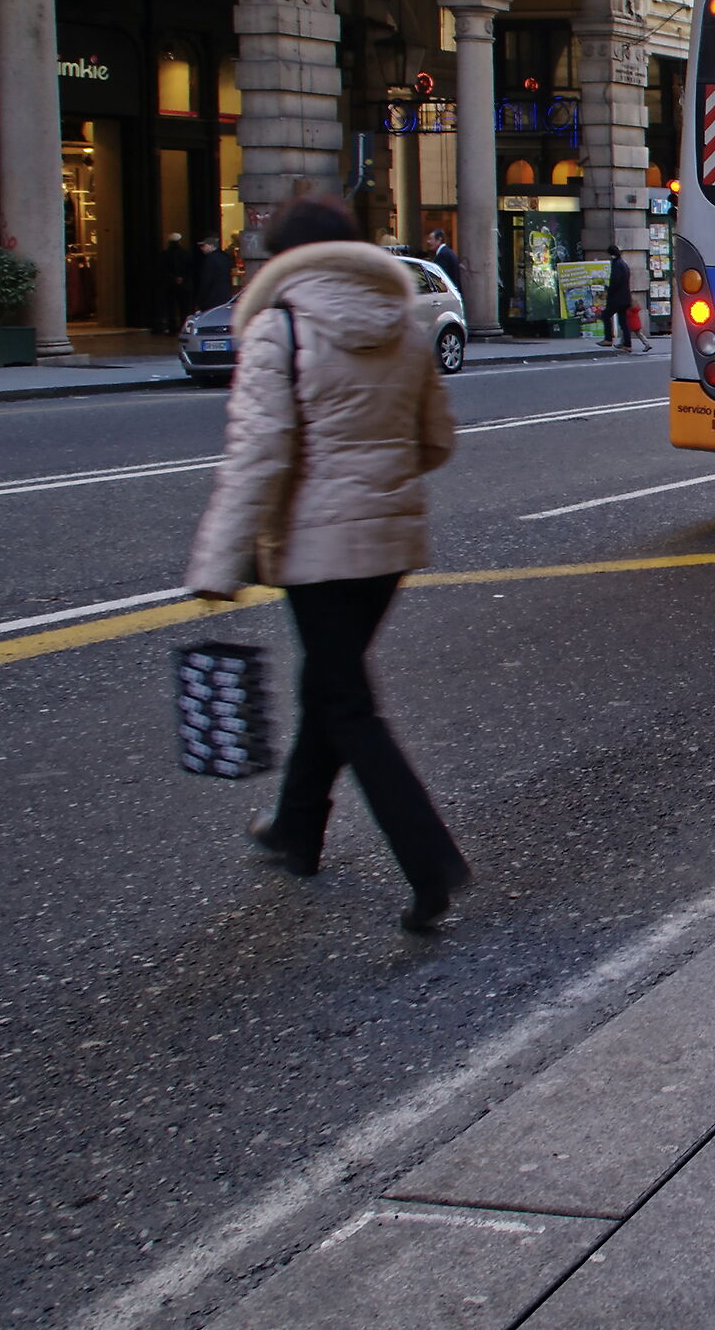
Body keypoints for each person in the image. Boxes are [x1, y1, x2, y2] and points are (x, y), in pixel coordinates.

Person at [185, 194, 471, 933]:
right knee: (327, 683)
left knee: (347, 704)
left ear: (280, 261)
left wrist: (220, 558)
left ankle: (429, 858)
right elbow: (437, 441)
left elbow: (259, 450)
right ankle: (296, 830)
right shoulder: (405, 326)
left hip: (316, 551)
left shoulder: (280, 327)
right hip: (388, 548)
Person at [598, 252, 637, 350]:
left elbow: (615, 281)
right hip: (625, 298)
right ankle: (627, 344)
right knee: (623, 321)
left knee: (605, 315)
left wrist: (609, 289)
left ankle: (608, 339)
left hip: (617, 299)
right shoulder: (624, 264)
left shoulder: (617, 264)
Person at [193, 235, 235, 313]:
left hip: (212, 298)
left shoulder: (210, 259)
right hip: (225, 295)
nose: (201, 248)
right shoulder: (224, 257)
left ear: (211, 246)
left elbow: (206, 281)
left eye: (203, 246)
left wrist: (200, 300)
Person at [423, 227, 463, 299]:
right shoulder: (446, 252)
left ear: (439, 239)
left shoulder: (443, 254)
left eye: (431, 239)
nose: (428, 242)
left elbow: (439, 277)